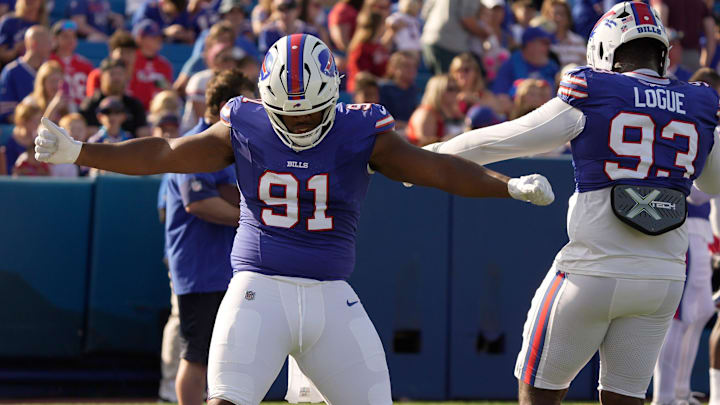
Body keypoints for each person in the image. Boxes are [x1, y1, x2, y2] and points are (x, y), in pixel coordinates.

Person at [34, 33, 555, 405]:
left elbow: (436, 169)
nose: (301, 122)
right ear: (267, 101)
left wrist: (504, 186)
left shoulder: (360, 131)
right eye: (290, 113)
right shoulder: (245, 124)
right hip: (259, 290)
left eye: (310, 112)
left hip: (332, 295)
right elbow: (165, 152)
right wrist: (81, 150)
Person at [418, 2, 720, 404]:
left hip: (593, 270)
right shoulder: (697, 102)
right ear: (662, 54)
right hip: (661, 279)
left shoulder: (594, 91)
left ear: (605, 50)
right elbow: (713, 181)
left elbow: (503, 138)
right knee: (625, 398)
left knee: (538, 393)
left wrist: (427, 156)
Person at [165, 69, 254, 405]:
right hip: (201, 270)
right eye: (246, 105)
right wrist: (250, 221)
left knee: (229, 360)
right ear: (223, 107)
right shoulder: (196, 144)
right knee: (198, 356)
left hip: (227, 269)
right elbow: (199, 202)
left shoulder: (234, 148)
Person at [651, 67, 720, 405]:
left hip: (702, 226)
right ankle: (666, 397)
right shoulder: (693, 124)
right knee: (678, 315)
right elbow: (695, 191)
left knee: (701, 310)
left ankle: (678, 392)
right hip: (684, 221)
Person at [80, 58, 149, 137]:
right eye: (112, 74)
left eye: (120, 74)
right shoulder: (91, 104)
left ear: (126, 77)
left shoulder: (134, 105)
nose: (116, 78)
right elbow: (82, 132)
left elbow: (143, 133)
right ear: (101, 77)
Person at [0, 25, 51, 123]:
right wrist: (31, 125)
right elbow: (6, 112)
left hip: (48, 126)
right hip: (23, 129)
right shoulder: (11, 71)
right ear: (34, 44)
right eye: (47, 43)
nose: (51, 46)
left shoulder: (49, 69)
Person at [406, 74, 461, 146]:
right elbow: (424, 144)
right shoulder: (426, 113)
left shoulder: (451, 112)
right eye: (450, 89)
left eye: (457, 88)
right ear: (437, 91)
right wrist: (451, 140)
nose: (455, 92)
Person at [130, 19, 174, 111]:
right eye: (153, 37)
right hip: (132, 111)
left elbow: (166, 90)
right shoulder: (130, 60)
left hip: (156, 112)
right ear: (140, 38)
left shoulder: (164, 64)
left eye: (160, 37)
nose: (159, 40)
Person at [49, 20, 94, 107]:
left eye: (73, 36)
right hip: (56, 108)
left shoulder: (85, 64)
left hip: (81, 109)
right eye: (65, 36)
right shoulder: (48, 62)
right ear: (55, 38)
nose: (70, 40)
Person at [86, 30, 138, 98]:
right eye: (122, 53)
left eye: (129, 53)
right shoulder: (98, 76)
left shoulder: (142, 77)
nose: (125, 57)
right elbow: (93, 102)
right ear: (111, 54)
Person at [0, 0, 46, 66]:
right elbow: (1, 53)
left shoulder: (42, 27)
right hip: (9, 68)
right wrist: (15, 50)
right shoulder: (9, 22)